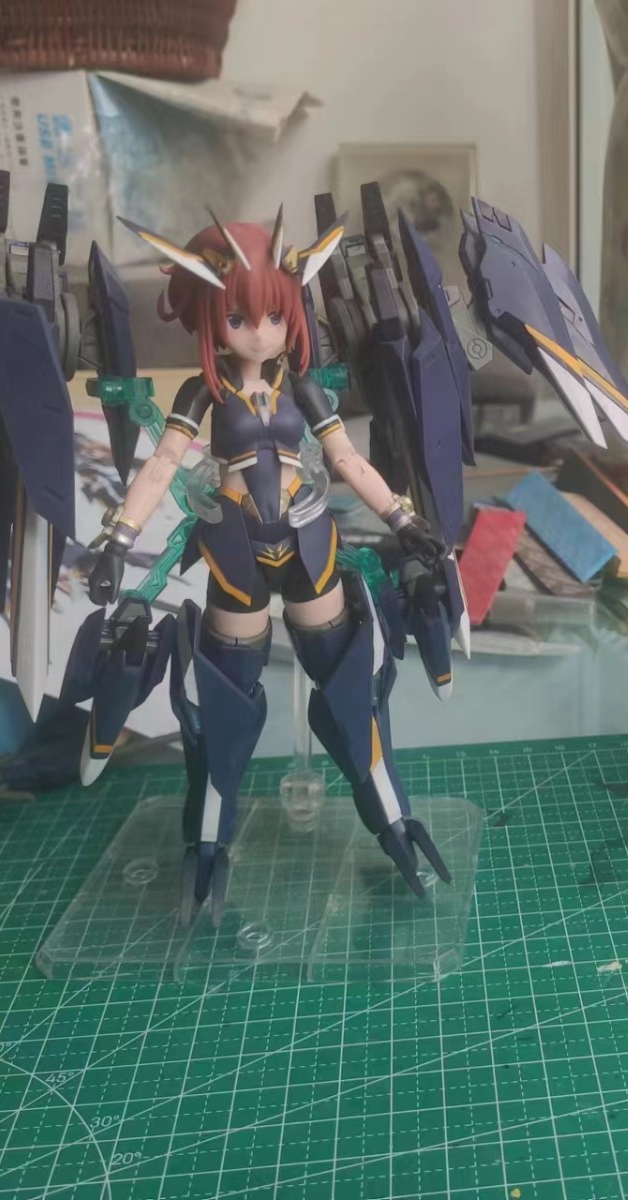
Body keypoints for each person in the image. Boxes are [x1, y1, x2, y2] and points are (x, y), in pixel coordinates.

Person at [86, 212, 450, 911]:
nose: (260, 333)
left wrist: (404, 519)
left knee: (352, 691)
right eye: (241, 318)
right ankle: (207, 845)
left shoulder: (301, 387)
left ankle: (393, 821)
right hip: (235, 550)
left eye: (275, 317)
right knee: (221, 705)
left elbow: (347, 460)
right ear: (211, 318)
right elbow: (162, 464)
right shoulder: (203, 391)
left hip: (307, 540)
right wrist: (117, 538)